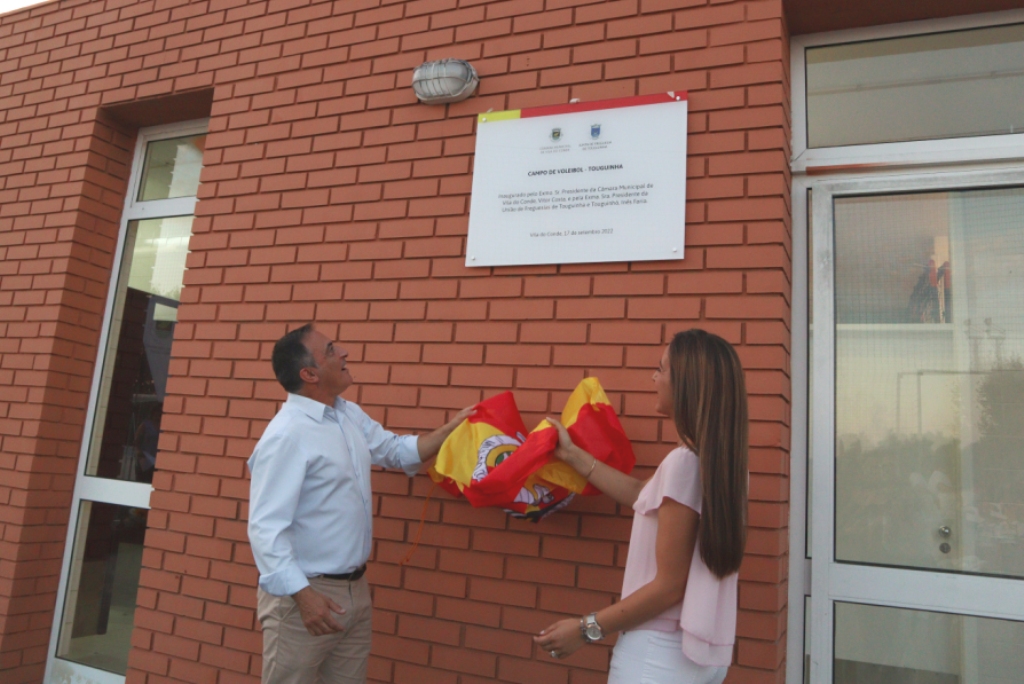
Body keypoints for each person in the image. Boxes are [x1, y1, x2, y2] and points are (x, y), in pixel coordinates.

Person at [247, 323, 473, 684]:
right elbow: (265, 529)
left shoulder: (346, 413)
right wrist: (304, 597)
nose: (344, 353)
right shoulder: (286, 435)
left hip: (354, 591)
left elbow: (396, 451)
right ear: (310, 373)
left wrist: (452, 429)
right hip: (305, 596)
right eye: (332, 349)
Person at [534, 329, 748, 684]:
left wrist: (587, 628)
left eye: (661, 369)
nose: (654, 378)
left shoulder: (684, 464)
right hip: (698, 657)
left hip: (657, 658)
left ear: (686, 385)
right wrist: (572, 455)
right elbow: (639, 494)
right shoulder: (722, 465)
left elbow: (668, 586)